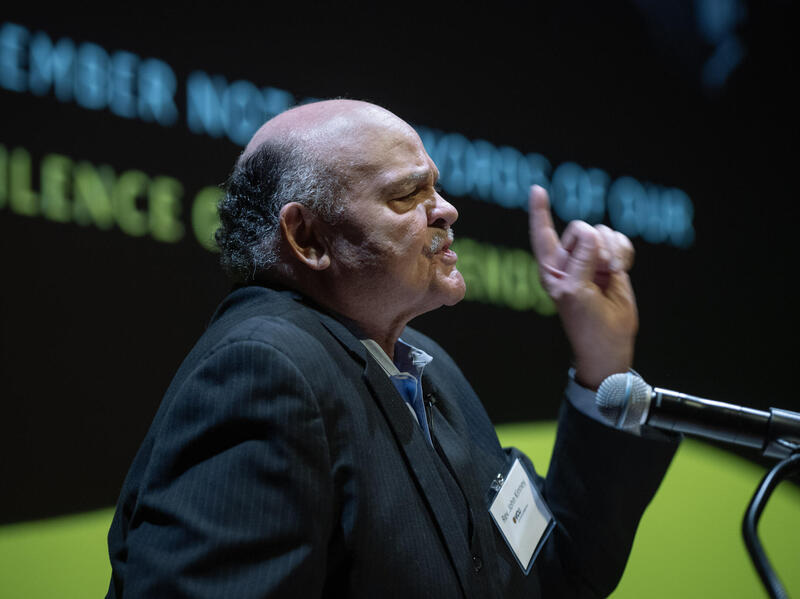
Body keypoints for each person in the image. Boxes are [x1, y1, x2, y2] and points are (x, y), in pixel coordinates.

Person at [106, 99, 678, 598]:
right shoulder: (263, 371)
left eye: (435, 184)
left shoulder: (429, 370)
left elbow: (558, 575)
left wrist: (602, 356)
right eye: (409, 193)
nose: (447, 209)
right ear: (307, 238)